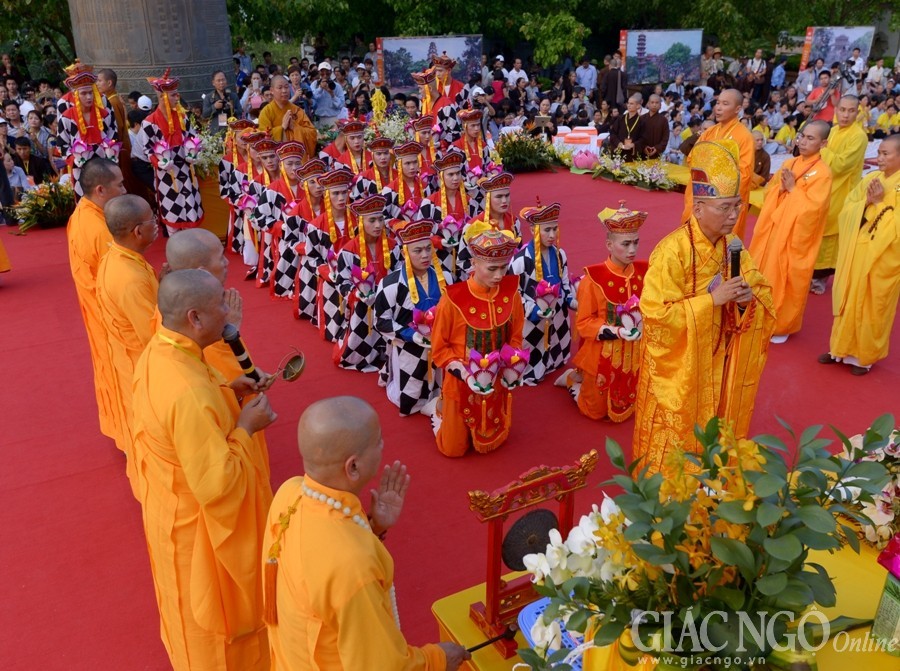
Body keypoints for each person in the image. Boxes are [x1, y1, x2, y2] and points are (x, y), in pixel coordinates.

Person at [132, 269, 275, 671]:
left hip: (171, 508)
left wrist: (229, 390)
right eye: (220, 306)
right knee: (218, 636)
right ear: (194, 318)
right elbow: (218, 483)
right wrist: (247, 428)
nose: (229, 313)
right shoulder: (188, 390)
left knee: (184, 614)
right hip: (200, 528)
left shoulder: (163, 349)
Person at [262, 396, 469, 670]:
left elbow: (317, 566)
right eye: (378, 441)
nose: (383, 445)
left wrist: (374, 527)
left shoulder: (289, 492)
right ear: (353, 467)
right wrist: (438, 659)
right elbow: (380, 666)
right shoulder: (353, 566)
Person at [633, 140, 775, 474]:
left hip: (718, 357)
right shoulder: (672, 251)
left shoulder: (733, 246)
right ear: (698, 208)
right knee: (673, 438)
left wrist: (745, 301)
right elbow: (655, 315)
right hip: (679, 365)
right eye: (724, 208)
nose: (733, 216)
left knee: (713, 428)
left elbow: (760, 292)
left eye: (737, 206)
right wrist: (711, 301)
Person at [430, 229, 525, 457]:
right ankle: (438, 413)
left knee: (494, 439)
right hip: (460, 383)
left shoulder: (512, 293)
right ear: (473, 263)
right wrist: (464, 373)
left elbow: (515, 336)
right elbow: (439, 349)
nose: (499, 275)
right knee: (452, 450)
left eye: (504, 267)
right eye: (492, 268)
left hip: (497, 380)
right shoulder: (452, 299)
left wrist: (513, 367)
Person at [556, 201, 646, 421]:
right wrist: (615, 331)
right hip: (601, 355)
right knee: (594, 412)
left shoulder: (645, 273)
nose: (632, 250)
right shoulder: (593, 279)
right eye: (625, 244)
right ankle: (573, 381)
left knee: (629, 406)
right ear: (609, 244)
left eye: (635, 242)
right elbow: (584, 323)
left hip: (635, 353)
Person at [820, 135, 900, 375]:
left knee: (872, 305)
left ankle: (863, 357)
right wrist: (866, 202)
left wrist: (878, 204)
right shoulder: (873, 178)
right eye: (880, 152)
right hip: (858, 249)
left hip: (882, 258)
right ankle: (839, 349)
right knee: (848, 297)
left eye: (886, 154)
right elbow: (849, 206)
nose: (880, 158)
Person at [748, 121, 832, 343]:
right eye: (802, 136)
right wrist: (781, 189)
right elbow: (769, 192)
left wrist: (793, 190)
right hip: (774, 230)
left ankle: (781, 324)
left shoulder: (822, 174)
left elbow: (814, 211)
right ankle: (758, 314)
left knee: (785, 277)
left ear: (823, 143)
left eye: (810, 138)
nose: (803, 142)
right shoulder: (790, 163)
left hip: (794, 236)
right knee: (764, 271)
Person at [95, 195, 159, 483]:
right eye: (152, 219)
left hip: (127, 357)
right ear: (137, 231)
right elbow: (154, 336)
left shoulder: (119, 257)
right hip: (141, 365)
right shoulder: (129, 278)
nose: (156, 224)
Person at [66, 157, 127, 442]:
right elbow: (120, 280)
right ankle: (131, 437)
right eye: (120, 185)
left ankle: (120, 430)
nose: (124, 190)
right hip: (111, 316)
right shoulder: (98, 229)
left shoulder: (83, 213)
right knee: (123, 373)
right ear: (100, 190)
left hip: (97, 311)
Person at [375, 218, 453, 416]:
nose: (425, 255)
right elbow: (381, 322)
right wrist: (411, 335)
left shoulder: (446, 278)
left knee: (445, 391)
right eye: (417, 250)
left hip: (441, 344)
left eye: (428, 248)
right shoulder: (390, 284)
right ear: (405, 253)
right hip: (407, 347)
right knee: (410, 401)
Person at [508, 202, 576, 384]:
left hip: (558, 314)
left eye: (555, 229)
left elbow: (565, 283)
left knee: (558, 345)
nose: (552, 235)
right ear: (532, 230)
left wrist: (572, 300)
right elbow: (514, 294)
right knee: (531, 353)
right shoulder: (520, 260)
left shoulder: (560, 254)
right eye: (547, 230)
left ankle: (553, 360)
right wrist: (533, 309)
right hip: (532, 317)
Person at [333, 194, 398, 372]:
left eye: (381, 219)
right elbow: (341, 282)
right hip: (362, 304)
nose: (378, 225)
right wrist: (357, 293)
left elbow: (400, 274)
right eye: (372, 220)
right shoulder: (348, 251)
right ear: (361, 222)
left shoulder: (394, 246)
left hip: (389, 302)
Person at [811, 96, 868, 295]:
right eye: (842, 109)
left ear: (857, 112)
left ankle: (819, 279)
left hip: (842, 192)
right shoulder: (833, 131)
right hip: (824, 188)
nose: (845, 115)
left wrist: (823, 150)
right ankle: (810, 274)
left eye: (851, 111)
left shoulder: (859, 136)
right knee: (817, 232)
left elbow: (840, 165)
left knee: (830, 238)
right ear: (836, 110)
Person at [682, 89, 754, 240]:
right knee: (694, 239)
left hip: (723, 202)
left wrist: (717, 188)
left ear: (737, 109)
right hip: (701, 194)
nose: (718, 108)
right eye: (718, 103)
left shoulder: (744, 136)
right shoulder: (710, 132)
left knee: (721, 244)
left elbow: (744, 173)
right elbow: (692, 159)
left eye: (725, 104)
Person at [141, 69, 204, 233]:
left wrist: (193, 153)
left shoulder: (182, 117)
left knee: (190, 205)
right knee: (171, 209)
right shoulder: (149, 122)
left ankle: (192, 242)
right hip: (166, 173)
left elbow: (193, 137)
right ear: (162, 97)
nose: (177, 98)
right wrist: (160, 163)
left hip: (185, 168)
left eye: (177, 94)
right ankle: (175, 243)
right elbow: (148, 150)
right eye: (173, 95)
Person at [57, 61, 120, 197]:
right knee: (85, 201)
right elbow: (62, 145)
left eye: (91, 93)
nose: (89, 97)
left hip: (104, 166)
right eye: (84, 93)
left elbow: (114, 136)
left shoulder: (105, 114)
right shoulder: (66, 118)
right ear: (76, 95)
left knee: (107, 199)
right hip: (80, 169)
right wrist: (75, 159)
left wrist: (111, 153)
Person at [307, 167, 355, 341]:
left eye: (344, 192)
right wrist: (329, 273)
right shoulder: (315, 226)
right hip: (330, 281)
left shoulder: (359, 221)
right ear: (327, 195)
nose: (341, 198)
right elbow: (312, 259)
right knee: (334, 333)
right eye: (335, 193)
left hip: (356, 278)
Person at [257, 74, 317, 155]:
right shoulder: (266, 112)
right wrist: (282, 128)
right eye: (280, 88)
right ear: (272, 90)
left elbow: (312, 133)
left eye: (286, 87)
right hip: (276, 158)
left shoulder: (297, 110)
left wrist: (295, 127)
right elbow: (263, 137)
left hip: (298, 157)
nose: (284, 91)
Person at [202, 70, 240, 135]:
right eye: (218, 80)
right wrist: (214, 107)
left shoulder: (233, 96)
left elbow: (240, 111)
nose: (221, 82)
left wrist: (232, 109)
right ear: (213, 83)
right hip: (216, 132)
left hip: (231, 130)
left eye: (223, 80)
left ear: (226, 81)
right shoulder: (209, 97)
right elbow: (205, 114)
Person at [451, 108, 489, 173]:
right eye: (473, 125)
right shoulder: (455, 147)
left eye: (478, 125)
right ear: (464, 126)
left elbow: (488, 166)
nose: (476, 129)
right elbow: (454, 172)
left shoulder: (484, 146)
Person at [607, 94, 643, 161]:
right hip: (620, 150)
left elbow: (643, 138)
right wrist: (618, 143)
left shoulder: (641, 121)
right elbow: (613, 133)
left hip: (632, 153)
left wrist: (633, 144)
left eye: (631, 104)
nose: (629, 105)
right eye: (628, 103)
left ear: (638, 106)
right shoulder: (621, 118)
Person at [635, 94, 669, 160]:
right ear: (648, 104)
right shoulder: (642, 118)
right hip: (642, 153)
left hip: (657, 153)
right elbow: (637, 136)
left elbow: (665, 138)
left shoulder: (664, 120)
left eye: (657, 103)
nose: (654, 105)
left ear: (660, 105)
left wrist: (657, 148)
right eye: (652, 102)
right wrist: (644, 147)